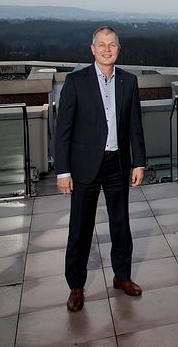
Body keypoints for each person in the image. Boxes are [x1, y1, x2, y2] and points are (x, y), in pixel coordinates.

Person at [55, 26, 147, 312]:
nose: (107, 49)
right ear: (92, 49)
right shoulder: (76, 81)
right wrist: (63, 171)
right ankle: (76, 286)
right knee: (80, 227)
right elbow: (63, 131)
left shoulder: (129, 82)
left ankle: (122, 276)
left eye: (112, 45)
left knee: (121, 224)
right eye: (102, 45)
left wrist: (139, 161)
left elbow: (135, 126)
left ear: (118, 49)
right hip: (84, 166)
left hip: (117, 163)